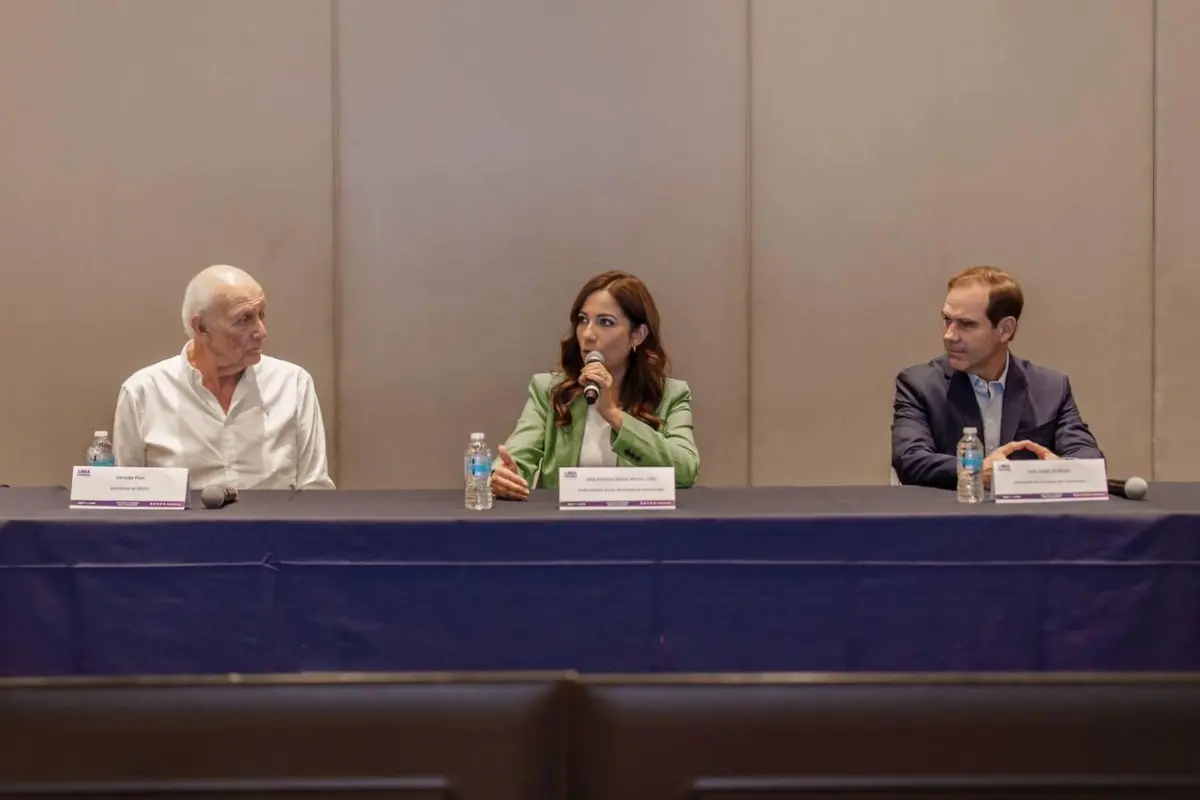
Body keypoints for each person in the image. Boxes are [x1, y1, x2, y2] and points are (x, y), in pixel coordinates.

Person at [113, 264, 335, 490]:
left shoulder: (293, 384)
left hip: (273, 525)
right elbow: (125, 497)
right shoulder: (143, 392)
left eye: (261, 315)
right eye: (244, 320)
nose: (261, 332)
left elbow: (314, 488)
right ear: (201, 328)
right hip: (184, 526)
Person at [491, 270, 699, 499]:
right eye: (582, 320)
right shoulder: (550, 390)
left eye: (605, 322)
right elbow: (517, 456)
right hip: (564, 528)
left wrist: (613, 414)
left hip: (640, 528)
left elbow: (686, 471)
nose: (588, 334)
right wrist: (503, 474)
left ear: (637, 335)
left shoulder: (670, 395)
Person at [891, 266, 1102, 490]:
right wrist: (975, 472)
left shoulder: (1050, 388)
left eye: (966, 324)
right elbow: (910, 459)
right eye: (947, 319)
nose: (949, 335)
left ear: (1005, 330)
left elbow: (1087, 459)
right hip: (952, 519)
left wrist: (1059, 470)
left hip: (1029, 520)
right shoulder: (919, 385)